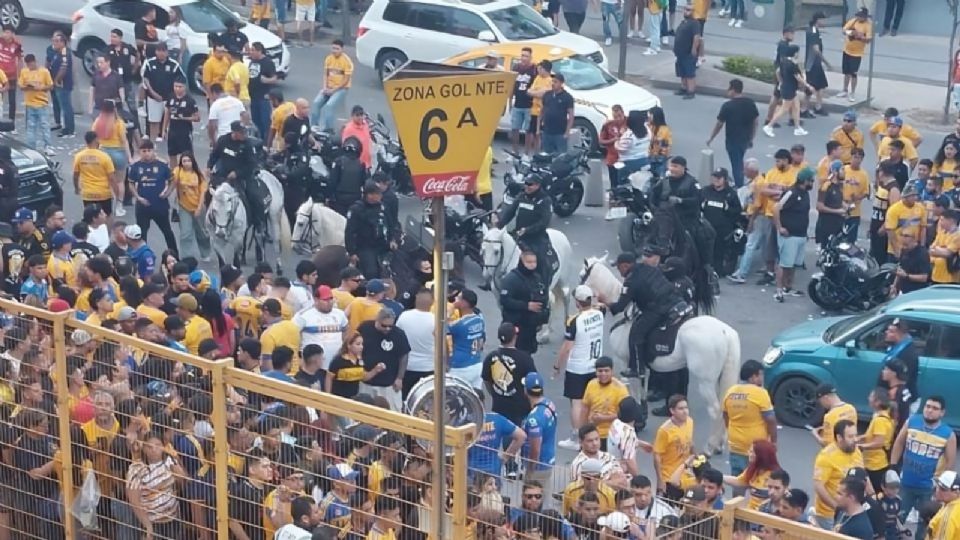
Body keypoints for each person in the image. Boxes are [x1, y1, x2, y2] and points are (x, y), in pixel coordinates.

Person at [601, 249, 682, 378]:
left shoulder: (631, 281)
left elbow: (620, 308)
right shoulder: (648, 268)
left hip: (658, 309)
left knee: (636, 333)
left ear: (625, 266)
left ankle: (637, 368)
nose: (619, 271)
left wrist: (605, 301)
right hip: (675, 302)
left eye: (619, 268)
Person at [890, 396, 958, 540]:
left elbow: (950, 463)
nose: (929, 410)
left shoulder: (948, 434)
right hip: (905, 484)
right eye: (927, 406)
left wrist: (939, 486)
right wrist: (893, 467)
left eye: (935, 408)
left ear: (942, 413)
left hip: (928, 488)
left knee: (925, 526)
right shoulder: (912, 421)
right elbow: (899, 443)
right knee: (895, 520)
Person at [651, 156, 717, 285]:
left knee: (705, 236)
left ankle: (708, 270)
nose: (672, 169)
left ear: (683, 168)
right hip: (665, 218)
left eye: (676, 166)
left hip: (686, 219)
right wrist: (655, 209)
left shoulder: (692, 183)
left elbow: (698, 200)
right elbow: (653, 198)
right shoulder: (662, 182)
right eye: (671, 166)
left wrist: (681, 201)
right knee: (649, 238)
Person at [554, 285, 604, 450]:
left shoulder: (575, 321)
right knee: (590, 401)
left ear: (577, 302)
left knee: (576, 402)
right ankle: (590, 434)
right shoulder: (599, 314)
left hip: (577, 366)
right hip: (594, 365)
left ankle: (576, 438)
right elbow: (600, 305)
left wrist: (557, 365)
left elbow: (567, 347)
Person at [494, 173, 555, 286]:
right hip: (519, 235)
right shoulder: (522, 196)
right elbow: (510, 212)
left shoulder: (545, 200)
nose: (527, 186)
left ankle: (543, 284)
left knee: (540, 261)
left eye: (530, 184)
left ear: (537, 185)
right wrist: (499, 225)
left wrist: (527, 230)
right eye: (526, 183)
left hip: (536, 238)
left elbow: (544, 222)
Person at [721, 359, 776, 477]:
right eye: (761, 375)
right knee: (758, 481)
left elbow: (725, 415)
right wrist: (774, 441)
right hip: (756, 448)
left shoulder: (730, 392)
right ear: (753, 376)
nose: (762, 378)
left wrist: (731, 430)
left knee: (737, 479)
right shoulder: (760, 393)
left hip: (735, 445)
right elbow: (770, 419)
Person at [208, 120, 263, 232]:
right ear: (234, 132)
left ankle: (258, 224)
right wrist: (209, 166)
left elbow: (251, 164)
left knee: (255, 197)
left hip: (242, 177)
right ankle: (210, 219)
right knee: (207, 193)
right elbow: (215, 155)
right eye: (242, 132)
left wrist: (237, 173)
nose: (245, 135)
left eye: (245, 132)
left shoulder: (247, 145)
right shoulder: (223, 140)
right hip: (223, 175)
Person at [771, 166, 814, 303]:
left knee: (794, 264)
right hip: (788, 235)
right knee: (784, 263)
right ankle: (779, 290)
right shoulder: (791, 193)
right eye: (811, 180)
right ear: (804, 180)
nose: (813, 183)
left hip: (800, 234)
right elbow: (776, 208)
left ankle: (788, 287)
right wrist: (780, 227)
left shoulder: (805, 193)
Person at [483, 322, 537, 428]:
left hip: (499, 406)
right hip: (520, 408)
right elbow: (533, 383)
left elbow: (486, 380)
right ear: (515, 337)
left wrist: (495, 393)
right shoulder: (525, 358)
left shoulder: (491, 357)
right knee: (517, 439)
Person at [813, 419, 864, 530]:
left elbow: (863, 476)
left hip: (851, 512)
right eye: (850, 437)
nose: (855, 440)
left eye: (856, 435)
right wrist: (836, 507)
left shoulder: (855, 451)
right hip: (828, 514)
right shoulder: (826, 457)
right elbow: (818, 486)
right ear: (839, 438)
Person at [127, 139, 178, 252]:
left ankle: (174, 254)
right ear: (140, 152)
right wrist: (138, 197)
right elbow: (130, 183)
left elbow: (173, 180)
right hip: (143, 206)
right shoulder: (136, 167)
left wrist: (167, 193)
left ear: (153, 151)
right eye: (144, 151)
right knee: (142, 233)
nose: (147, 153)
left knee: (167, 231)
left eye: (149, 150)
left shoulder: (162, 165)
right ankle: (143, 256)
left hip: (160, 205)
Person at [707, 79, 759, 188]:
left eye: (729, 89)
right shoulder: (750, 103)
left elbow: (719, 124)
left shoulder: (727, 106)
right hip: (745, 138)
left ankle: (739, 187)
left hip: (733, 140)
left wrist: (711, 138)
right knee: (739, 161)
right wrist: (752, 137)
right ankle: (740, 183)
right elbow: (755, 121)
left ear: (733, 90)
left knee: (736, 164)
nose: (727, 91)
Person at [357, 308, 409, 411]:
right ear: (377, 320)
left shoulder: (398, 334)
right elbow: (354, 346)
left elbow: (404, 355)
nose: (388, 329)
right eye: (384, 326)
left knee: (393, 415)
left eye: (390, 326)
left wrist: (400, 378)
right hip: (366, 383)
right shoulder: (365, 328)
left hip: (388, 384)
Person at [498, 250, 549, 354]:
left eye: (534, 262)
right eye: (529, 262)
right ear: (521, 262)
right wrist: (526, 306)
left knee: (527, 354)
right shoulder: (511, 279)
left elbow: (543, 296)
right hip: (515, 325)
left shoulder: (537, 278)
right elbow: (504, 300)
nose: (532, 265)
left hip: (530, 327)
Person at [344, 181, 397, 280]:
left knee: (400, 260)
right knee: (371, 271)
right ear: (368, 195)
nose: (379, 196)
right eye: (376, 194)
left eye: (379, 194)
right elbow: (349, 232)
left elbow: (391, 224)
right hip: (365, 247)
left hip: (383, 243)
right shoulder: (356, 209)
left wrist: (392, 239)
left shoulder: (383, 207)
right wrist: (352, 252)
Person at [763, 44, 813, 138]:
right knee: (784, 109)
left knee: (796, 107)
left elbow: (777, 72)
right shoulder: (792, 65)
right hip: (789, 89)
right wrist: (808, 86)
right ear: (795, 53)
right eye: (798, 52)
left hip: (787, 88)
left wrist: (781, 82)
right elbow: (798, 78)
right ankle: (769, 126)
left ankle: (797, 128)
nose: (799, 54)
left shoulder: (784, 61)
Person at [701, 167, 742, 275]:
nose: (716, 180)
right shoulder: (706, 191)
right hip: (706, 227)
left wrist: (728, 209)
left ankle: (718, 271)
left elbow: (738, 211)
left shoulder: (731, 193)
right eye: (714, 177)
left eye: (719, 178)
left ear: (725, 179)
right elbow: (697, 205)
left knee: (719, 251)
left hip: (723, 229)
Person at [170, 152, 210, 262]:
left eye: (188, 161)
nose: (186, 163)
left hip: (198, 206)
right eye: (184, 161)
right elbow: (172, 184)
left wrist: (199, 208)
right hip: (184, 206)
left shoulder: (199, 175)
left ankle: (205, 252)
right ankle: (187, 256)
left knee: (202, 232)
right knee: (185, 233)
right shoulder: (178, 171)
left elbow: (202, 193)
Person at [520, 372, 558, 484]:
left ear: (526, 391)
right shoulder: (549, 403)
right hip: (548, 459)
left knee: (534, 498)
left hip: (538, 466)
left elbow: (535, 449)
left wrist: (531, 468)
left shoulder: (534, 419)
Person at [141, 43, 183, 140]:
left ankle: (162, 134)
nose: (161, 53)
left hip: (168, 98)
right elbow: (145, 79)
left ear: (167, 52)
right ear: (155, 52)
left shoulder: (174, 65)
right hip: (153, 97)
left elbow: (181, 79)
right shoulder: (149, 63)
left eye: (163, 51)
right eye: (159, 51)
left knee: (166, 117)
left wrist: (176, 94)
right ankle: (150, 136)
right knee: (152, 119)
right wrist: (153, 93)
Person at [652, 395, 693, 494]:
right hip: (669, 477)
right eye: (681, 408)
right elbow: (656, 456)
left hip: (685, 475)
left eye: (686, 408)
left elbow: (690, 442)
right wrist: (660, 480)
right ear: (672, 411)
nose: (685, 411)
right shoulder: (664, 430)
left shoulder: (690, 422)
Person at [447, 289, 485, 390]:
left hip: (460, 368)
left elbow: (438, 329)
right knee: (476, 398)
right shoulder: (479, 320)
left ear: (464, 303)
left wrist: (450, 310)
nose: (455, 299)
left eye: (458, 298)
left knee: (453, 399)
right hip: (476, 364)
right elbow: (481, 342)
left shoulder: (459, 324)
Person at [18, 54, 54, 155]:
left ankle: (48, 146)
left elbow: (50, 86)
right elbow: (21, 85)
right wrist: (28, 87)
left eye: (31, 64)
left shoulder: (44, 72)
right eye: (28, 64)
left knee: (44, 126)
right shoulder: (24, 72)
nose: (30, 66)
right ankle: (31, 147)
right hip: (29, 104)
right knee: (30, 127)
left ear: (35, 61)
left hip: (42, 103)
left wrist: (41, 88)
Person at [885, 183, 927, 261]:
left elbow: (923, 228)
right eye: (912, 195)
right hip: (898, 248)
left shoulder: (921, 208)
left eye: (916, 195)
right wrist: (896, 250)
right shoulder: (894, 209)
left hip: (914, 249)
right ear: (905, 197)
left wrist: (922, 247)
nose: (915, 198)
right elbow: (890, 231)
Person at [838, 7, 873, 102]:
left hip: (857, 53)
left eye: (861, 16)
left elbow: (869, 39)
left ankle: (852, 93)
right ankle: (844, 90)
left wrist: (861, 36)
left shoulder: (868, 26)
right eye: (858, 15)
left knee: (854, 74)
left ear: (865, 17)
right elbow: (844, 30)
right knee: (846, 72)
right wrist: (850, 32)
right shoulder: (853, 21)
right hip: (847, 50)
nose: (858, 17)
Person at [162, 78, 199, 165]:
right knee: (172, 154)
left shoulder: (190, 100)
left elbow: (197, 118)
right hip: (172, 131)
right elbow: (167, 114)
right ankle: (174, 174)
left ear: (184, 87)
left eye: (180, 87)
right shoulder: (170, 97)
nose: (177, 89)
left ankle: (187, 173)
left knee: (187, 155)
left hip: (185, 132)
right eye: (176, 86)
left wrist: (184, 118)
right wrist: (164, 129)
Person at [246, 42, 278, 139]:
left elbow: (275, 79)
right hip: (253, 96)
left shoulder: (268, 63)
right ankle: (259, 138)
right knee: (256, 120)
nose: (250, 52)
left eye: (253, 50)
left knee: (265, 121)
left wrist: (266, 80)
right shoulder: (252, 61)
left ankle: (266, 140)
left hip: (263, 97)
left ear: (259, 51)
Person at [538, 73, 575, 154]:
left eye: (555, 82)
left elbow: (571, 116)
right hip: (547, 132)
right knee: (546, 155)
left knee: (560, 157)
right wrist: (538, 129)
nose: (553, 84)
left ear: (561, 83)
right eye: (552, 81)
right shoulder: (547, 95)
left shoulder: (567, 97)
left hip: (560, 133)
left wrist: (567, 132)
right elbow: (541, 111)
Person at [614, 110, 651, 189]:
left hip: (629, 163)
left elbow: (620, 148)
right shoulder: (647, 130)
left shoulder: (629, 135)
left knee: (623, 185)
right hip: (645, 160)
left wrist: (617, 140)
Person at [510, 47, 537, 153]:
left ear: (530, 57)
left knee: (528, 131)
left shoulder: (534, 69)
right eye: (522, 55)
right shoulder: (516, 68)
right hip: (517, 103)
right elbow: (512, 84)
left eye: (526, 56)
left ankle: (526, 153)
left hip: (529, 104)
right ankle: (514, 151)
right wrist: (510, 100)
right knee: (514, 128)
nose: (523, 58)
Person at [673, 6, 702, 100]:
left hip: (688, 52)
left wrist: (694, 49)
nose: (686, 11)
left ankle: (691, 91)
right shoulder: (683, 22)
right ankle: (683, 88)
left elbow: (697, 37)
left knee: (689, 73)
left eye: (688, 10)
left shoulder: (695, 23)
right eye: (685, 9)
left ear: (693, 12)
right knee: (682, 72)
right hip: (680, 53)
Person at [929, 208, 960, 284]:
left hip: (950, 278)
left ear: (951, 220)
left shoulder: (957, 235)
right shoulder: (941, 233)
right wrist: (941, 250)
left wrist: (938, 250)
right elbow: (931, 249)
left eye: (942, 220)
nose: (940, 222)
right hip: (936, 275)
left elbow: (948, 253)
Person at [928, 471, 960, 540]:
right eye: (938, 486)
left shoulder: (948, 517)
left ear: (956, 492)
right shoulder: (951, 503)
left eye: (943, 489)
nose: (938, 490)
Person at [341, 105, 374, 171]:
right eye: (357, 115)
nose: (360, 117)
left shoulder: (365, 125)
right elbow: (346, 148)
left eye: (361, 115)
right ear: (352, 116)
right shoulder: (349, 129)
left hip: (367, 163)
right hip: (357, 165)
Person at [0, 26, 22, 122]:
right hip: (1, 75)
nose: (5, 34)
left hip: (11, 75)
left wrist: (20, 75)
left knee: (12, 100)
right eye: (4, 32)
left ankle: (11, 122)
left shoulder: (17, 44)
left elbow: (20, 60)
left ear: (12, 33)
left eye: (8, 32)